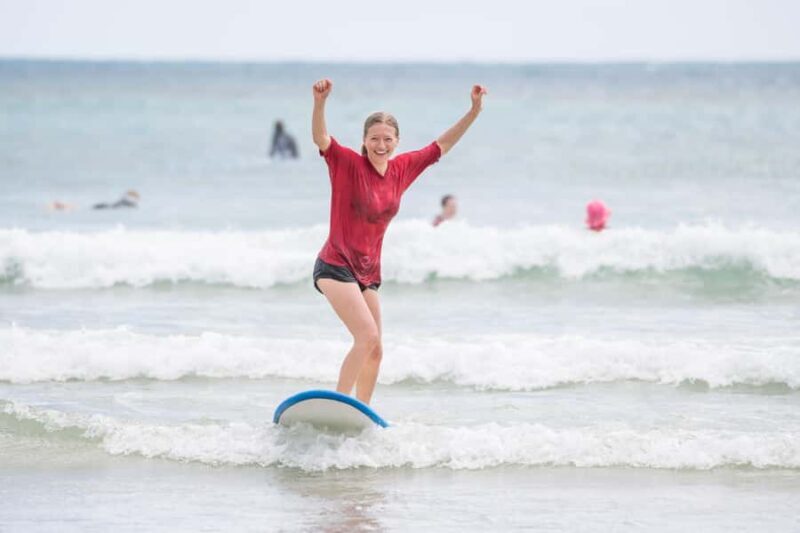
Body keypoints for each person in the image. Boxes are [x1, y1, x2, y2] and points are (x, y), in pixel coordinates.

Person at [311, 78, 487, 405]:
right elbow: (321, 138)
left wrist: (473, 112)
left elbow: (441, 146)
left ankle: (361, 412)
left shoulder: (402, 169)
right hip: (334, 265)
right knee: (366, 337)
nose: (381, 144)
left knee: (376, 350)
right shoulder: (347, 163)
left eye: (388, 139)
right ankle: (337, 406)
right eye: (375, 138)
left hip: (367, 272)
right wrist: (320, 103)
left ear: (397, 141)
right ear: (364, 140)